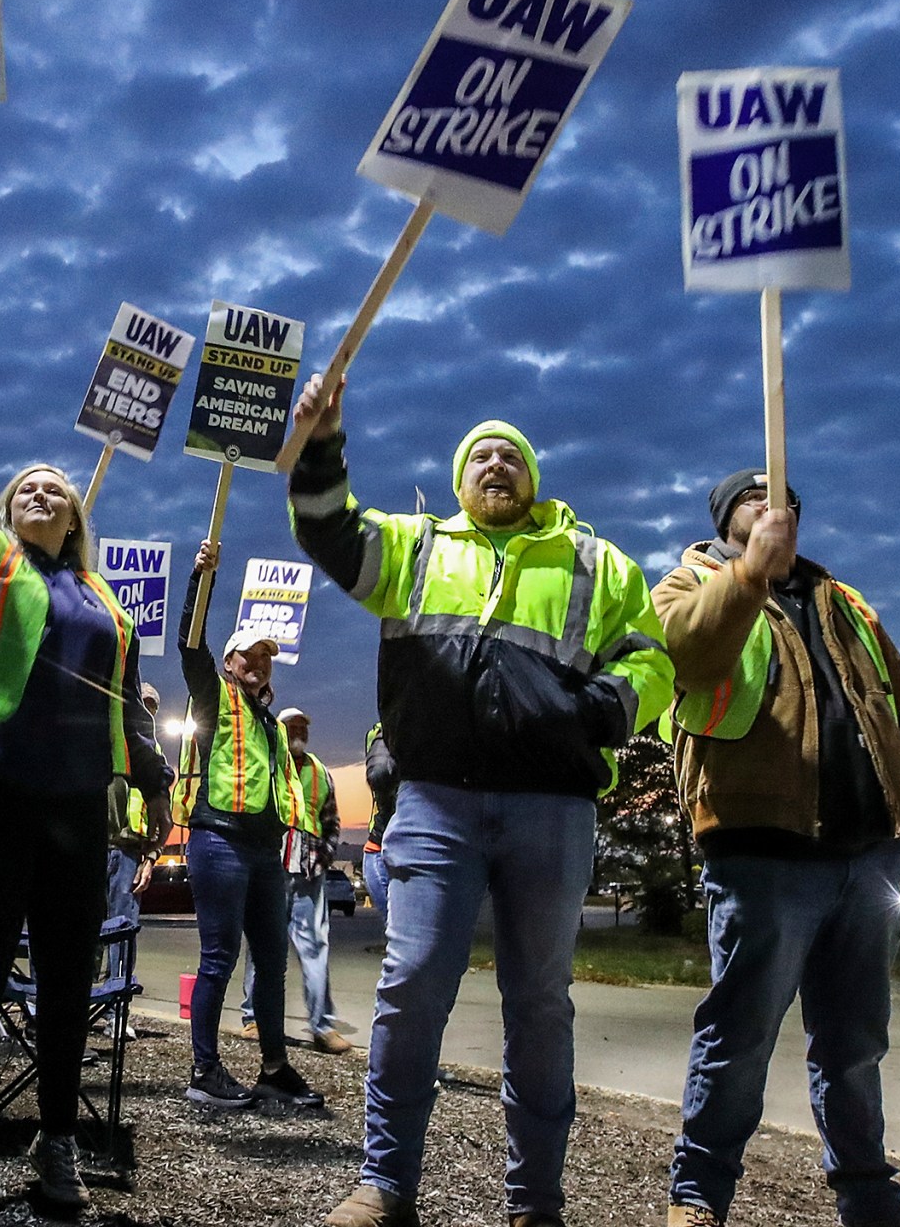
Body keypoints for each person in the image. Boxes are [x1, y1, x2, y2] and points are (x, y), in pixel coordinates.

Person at [288, 380, 673, 1227]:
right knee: (414, 982)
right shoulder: (415, 548)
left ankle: (534, 1202)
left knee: (539, 1000)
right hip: (435, 804)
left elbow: (652, 665)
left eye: (512, 456)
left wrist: (600, 710)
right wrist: (322, 443)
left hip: (553, 807)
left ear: (532, 478)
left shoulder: (596, 562)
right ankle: (383, 1186)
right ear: (460, 481)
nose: (496, 464)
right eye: (480, 456)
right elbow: (325, 526)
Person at [0, 305, 172, 1213]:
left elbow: (128, 711)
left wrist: (152, 784)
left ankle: (56, 1141)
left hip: (75, 803)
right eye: (26, 487)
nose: (41, 494)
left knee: (71, 975)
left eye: (57, 490)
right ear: (8, 511)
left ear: (76, 518)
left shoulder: (106, 600)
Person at [656, 471, 900, 1227]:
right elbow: (687, 657)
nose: (775, 508)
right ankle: (698, 1197)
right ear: (726, 519)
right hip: (760, 849)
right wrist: (751, 572)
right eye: (757, 499)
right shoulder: (687, 583)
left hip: (869, 854)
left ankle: (869, 1197)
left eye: (785, 500)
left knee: (854, 1041)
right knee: (741, 1033)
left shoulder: (843, 603)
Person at [172, 540, 322, 1111]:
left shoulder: (270, 723)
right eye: (249, 656)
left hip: (263, 852)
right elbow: (191, 648)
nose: (259, 663)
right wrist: (200, 581)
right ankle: (204, 1069)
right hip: (218, 842)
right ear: (231, 663)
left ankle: (274, 1068)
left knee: (271, 962)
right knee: (219, 958)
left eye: (267, 657)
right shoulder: (214, 697)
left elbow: (286, 790)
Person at [240, 707, 352, 1054]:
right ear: (280, 731)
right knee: (261, 947)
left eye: (303, 725)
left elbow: (331, 821)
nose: (298, 731)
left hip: (308, 875)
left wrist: (323, 858)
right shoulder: (268, 765)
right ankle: (253, 1019)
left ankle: (322, 1026)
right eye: (292, 726)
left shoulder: (321, 773)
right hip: (272, 870)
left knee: (316, 948)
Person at [102, 682, 168, 991]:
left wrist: (150, 860)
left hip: (129, 854)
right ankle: (81, 1007)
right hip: (94, 843)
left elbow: (161, 819)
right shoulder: (107, 735)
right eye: (144, 705)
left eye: (152, 707)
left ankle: (116, 1008)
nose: (148, 712)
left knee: (122, 931)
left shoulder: (153, 757)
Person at [360, 722, 396, 929]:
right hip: (380, 846)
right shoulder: (382, 732)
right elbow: (379, 774)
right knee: (398, 931)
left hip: (392, 847)